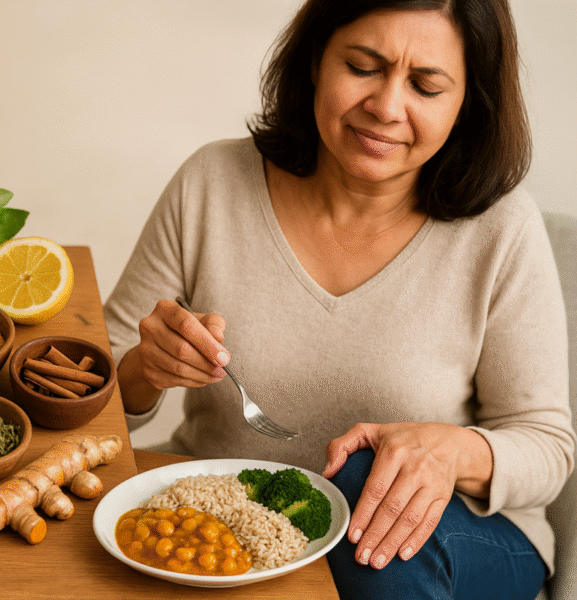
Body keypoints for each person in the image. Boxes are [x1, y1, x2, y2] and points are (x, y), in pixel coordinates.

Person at [103, 1, 575, 598]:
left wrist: (451, 451)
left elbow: (547, 448)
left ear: (466, 105)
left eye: (426, 87)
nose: (386, 107)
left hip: (449, 536)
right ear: (315, 62)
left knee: (367, 509)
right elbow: (97, 392)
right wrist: (144, 370)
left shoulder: (501, 230)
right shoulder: (213, 182)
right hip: (230, 522)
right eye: (362, 66)